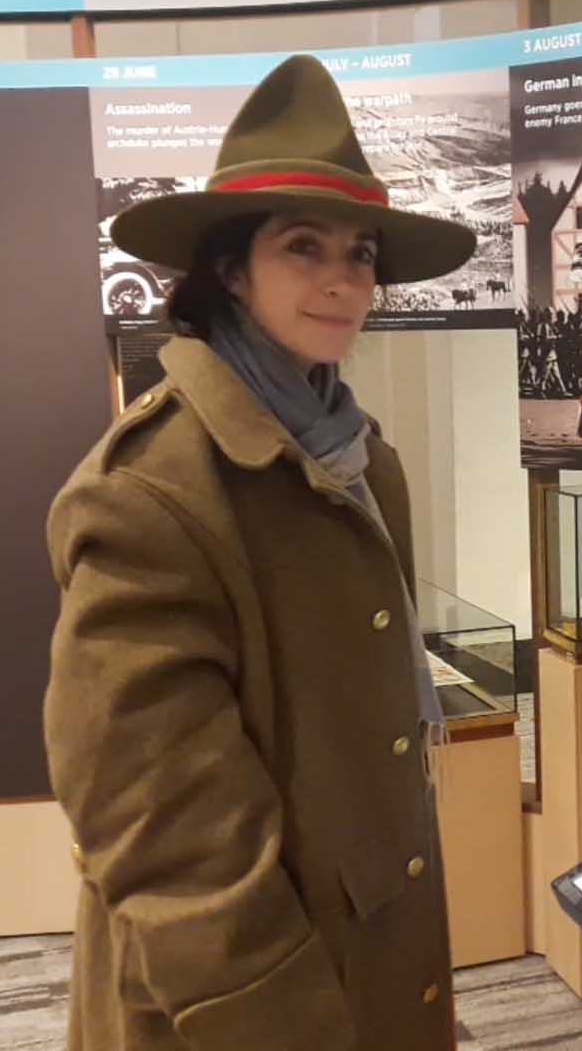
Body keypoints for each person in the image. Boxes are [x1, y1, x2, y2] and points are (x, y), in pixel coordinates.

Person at [44, 55, 477, 1051]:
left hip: (362, 958)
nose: (342, 280)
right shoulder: (149, 494)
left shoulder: (359, 463)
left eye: (361, 252)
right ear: (231, 270)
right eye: (302, 246)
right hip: (238, 1006)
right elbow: (165, 832)